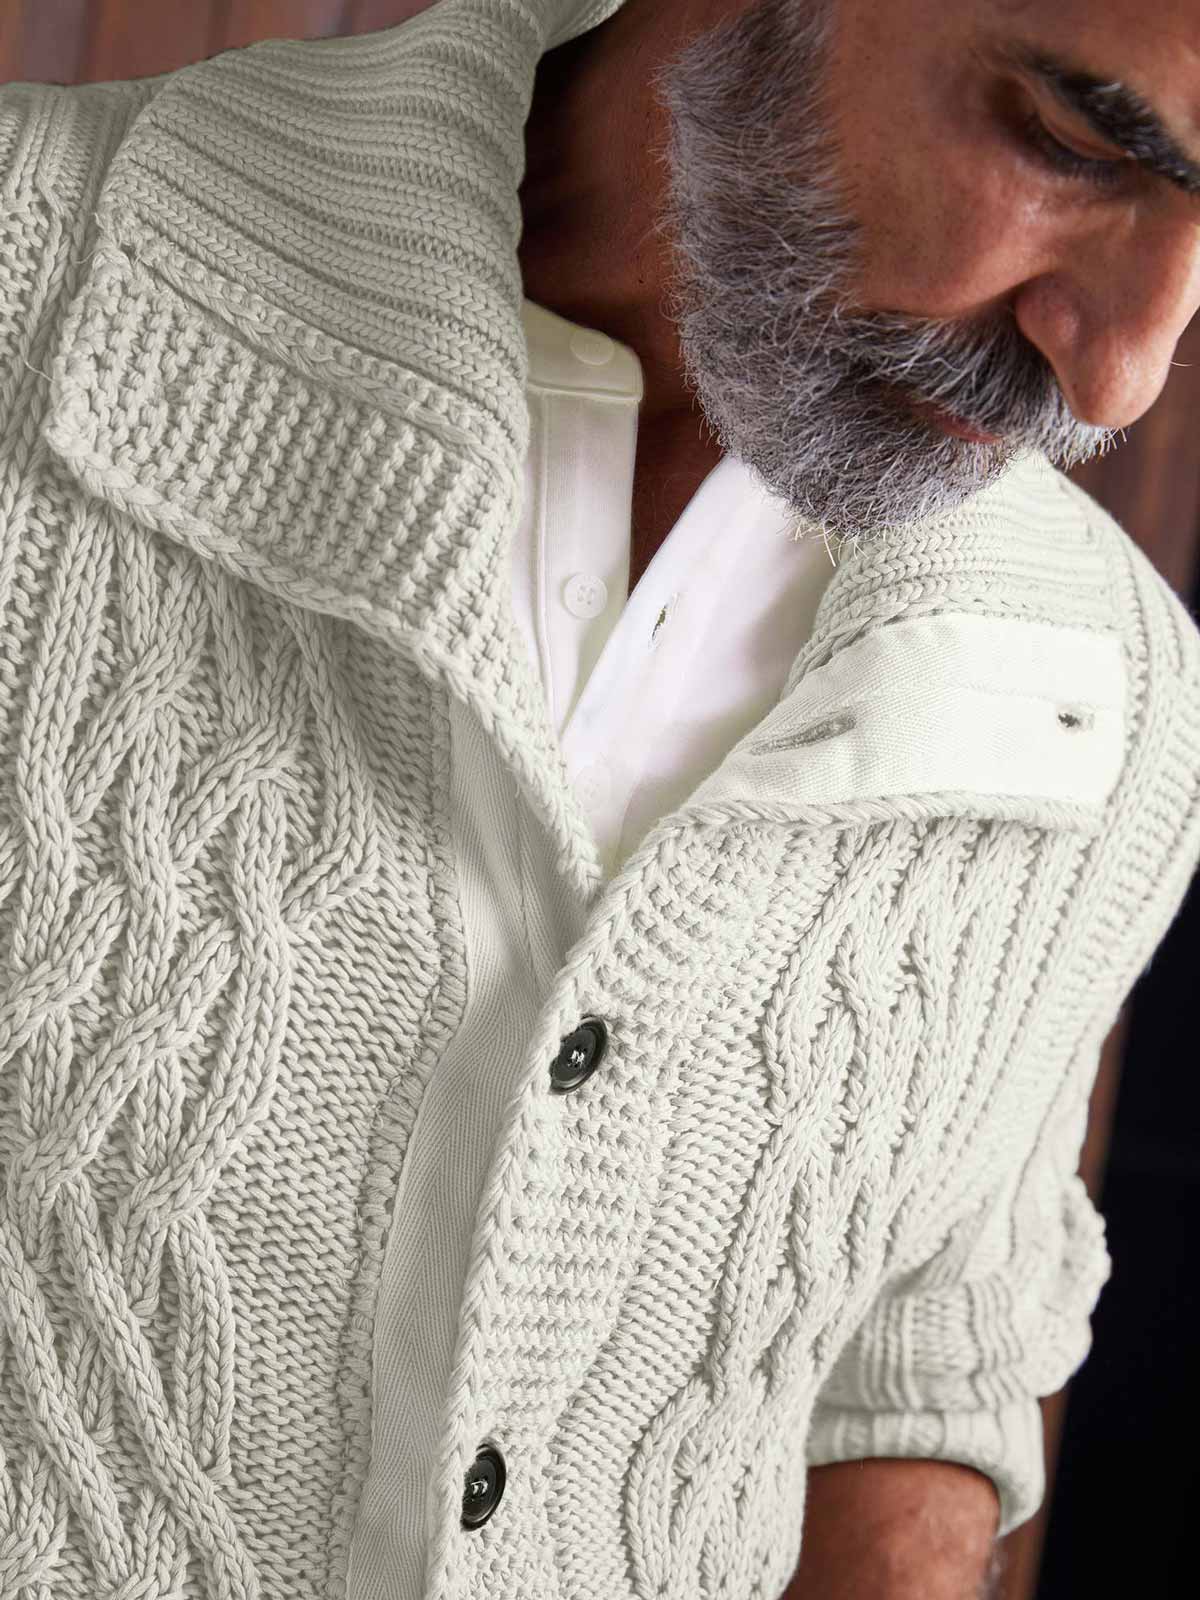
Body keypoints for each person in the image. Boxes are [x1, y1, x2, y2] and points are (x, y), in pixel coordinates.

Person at [0, 3, 1196, 1598]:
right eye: (1075, 142)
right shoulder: (29, 278)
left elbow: (911, 1370)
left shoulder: (1112, 687)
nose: (1119, 375)